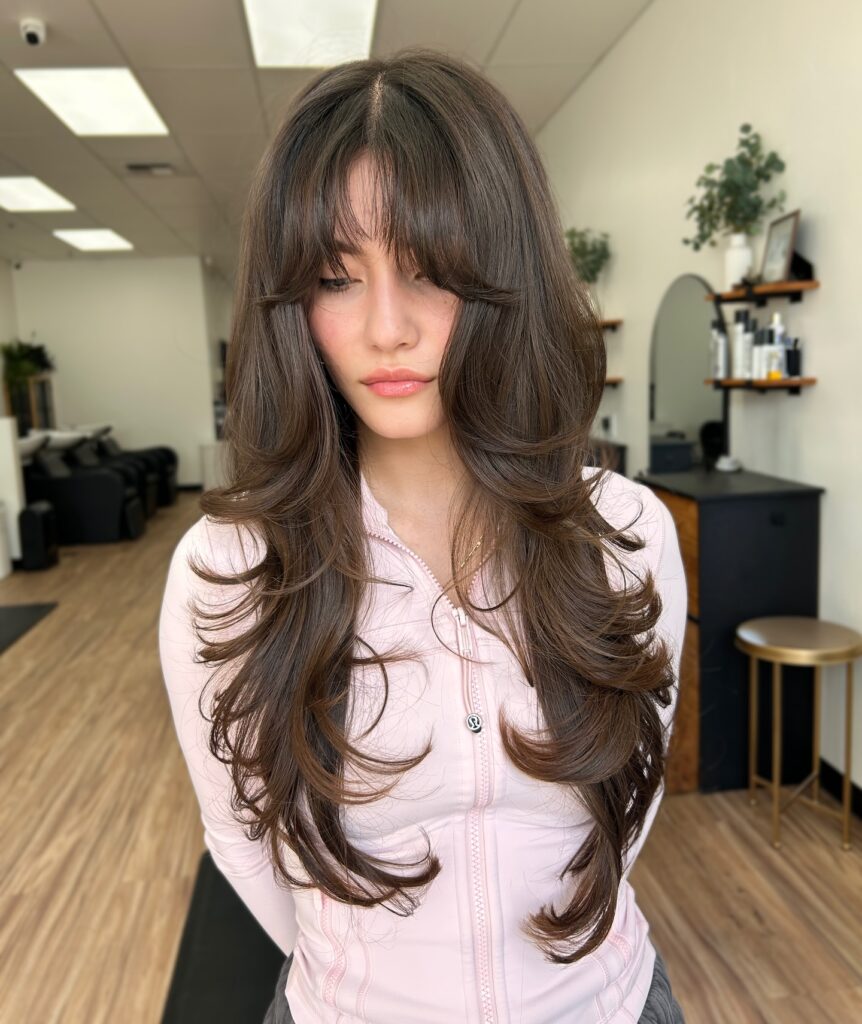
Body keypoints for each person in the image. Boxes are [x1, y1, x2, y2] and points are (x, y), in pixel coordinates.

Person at [158, 47, 687, 1024]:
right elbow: (245, 843)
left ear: (505, 279)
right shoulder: (230, 570)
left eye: (429, 271)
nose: (387, 327)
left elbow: (628, 808)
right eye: (335, 277)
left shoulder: (624, 533)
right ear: (288, 301)